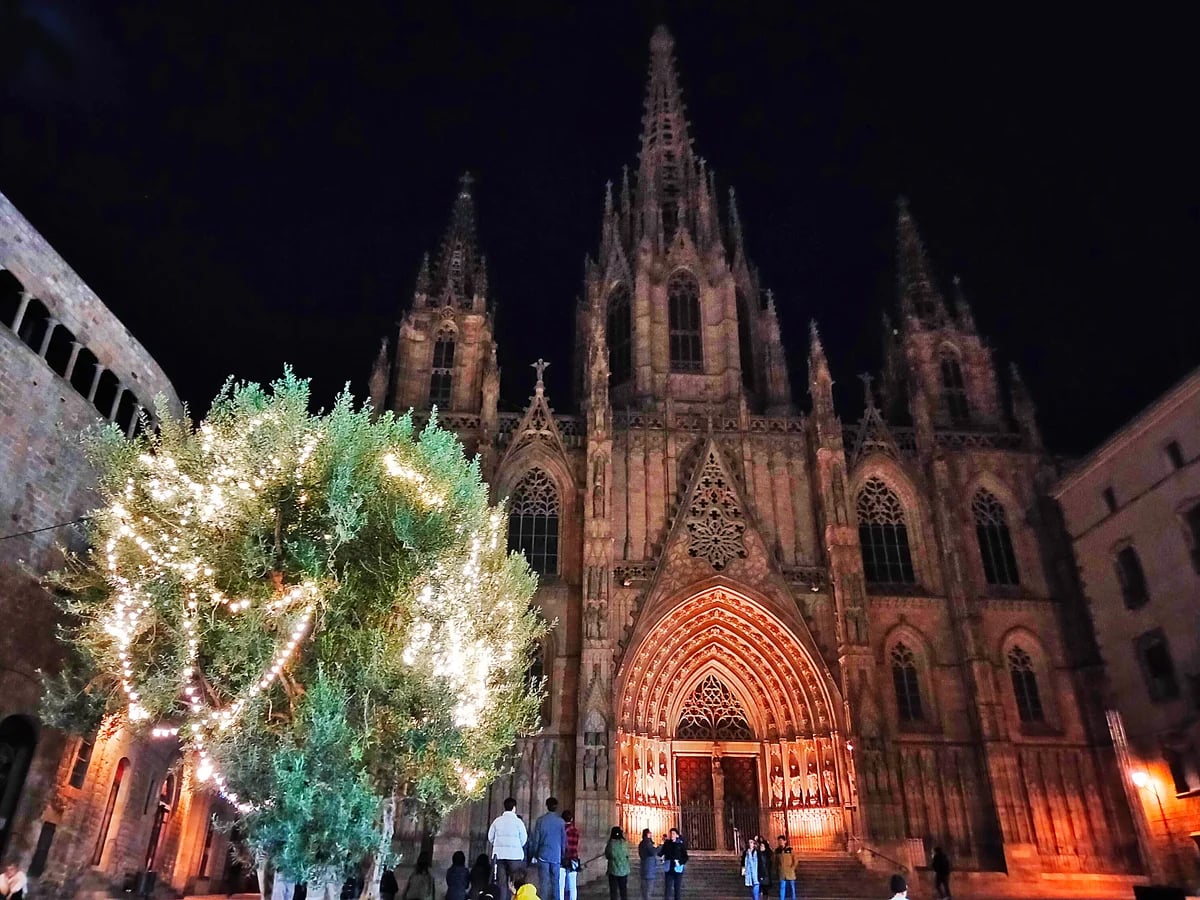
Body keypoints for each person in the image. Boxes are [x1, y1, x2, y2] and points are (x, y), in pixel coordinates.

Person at [488, 797, 529, 900]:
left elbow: (490, 837)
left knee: (502, 884)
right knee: (516, 883)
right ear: (514, 808)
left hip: (499, 855)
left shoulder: (497, 821)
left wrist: (498, 844)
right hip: (515, 856)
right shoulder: (518, 822)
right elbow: (524, 839)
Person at [529, 797, 567, 900]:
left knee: (544, 883)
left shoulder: (540, 821)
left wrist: (534, 852)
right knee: (556, 883)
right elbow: (563, 841)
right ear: (556, 807)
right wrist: (563, 854)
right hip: (556, 856)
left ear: (547, 806)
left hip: (543, 855)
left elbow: (536, 839)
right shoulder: (561, 822)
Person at [658, 828, 687, 900]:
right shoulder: (667, 843)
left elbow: (685, 857)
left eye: (673, 833)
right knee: (667, 889)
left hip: (678, 869)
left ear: (677, 835)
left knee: (677, 889)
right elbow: (662, 852)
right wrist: (661, 856)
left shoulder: (680, 844)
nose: (672, 835)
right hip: (669, 869)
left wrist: (680, 862)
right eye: (671, 833)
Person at [560, 810, 581, 900]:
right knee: (573, 886)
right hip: (573, 858)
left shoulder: (561, 831)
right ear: (571, 819)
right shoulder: (575, 831)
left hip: (563, 859)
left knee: (561, 885)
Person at [605, 826, 630, 900]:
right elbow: (627, 854)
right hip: (624, 870)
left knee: (613, 891)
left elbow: (607, 855)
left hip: (613, 870)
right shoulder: (624, 843)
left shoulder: (611, 843)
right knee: (623, 890)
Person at [637, 829, 659, 900]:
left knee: (644, 889)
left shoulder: (641, 843)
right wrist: (659, 848)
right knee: (648, 889)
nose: (651, 834)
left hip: (643, 867)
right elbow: (652, 852)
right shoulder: (647, 843)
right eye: (649, 833)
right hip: (649, 868)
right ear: (647, 834)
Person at [774, 835, 796, 900]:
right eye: (779, 841)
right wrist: (777, 869)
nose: (780, 842)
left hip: (790, 872)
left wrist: (792, 868)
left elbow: (795, 859)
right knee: (782, 887)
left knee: (792, 888)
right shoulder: (777, 850)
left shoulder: (790, 850)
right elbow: (775, 861)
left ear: (785, 841)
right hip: (782, 872)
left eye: (781, 841)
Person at [741, 836, 761, 900]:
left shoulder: (757, 852)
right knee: (752, 893)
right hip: (749, 874)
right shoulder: (746, 852)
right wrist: (743, 871)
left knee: (755, 893)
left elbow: (760, 863)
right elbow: (743, 863)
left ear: (754, 844)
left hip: (756, 874)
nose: (750, 844)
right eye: (749, 842)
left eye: (751, 842)